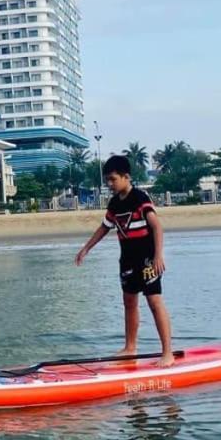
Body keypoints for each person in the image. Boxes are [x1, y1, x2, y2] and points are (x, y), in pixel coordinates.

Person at [74, 154, 174, 367]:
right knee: (129, 303)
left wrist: (158, 255)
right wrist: (86, 249)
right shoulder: (114, 203)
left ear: (126, 177)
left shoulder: (140, 198)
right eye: (107, 180)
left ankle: (167, 353)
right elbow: (104, 227)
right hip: (127, 260)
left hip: (147, 260)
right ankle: (130, 347)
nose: (110, 184)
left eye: (113, 179)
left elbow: (156, 226)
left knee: (154, 302)